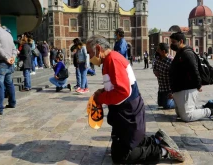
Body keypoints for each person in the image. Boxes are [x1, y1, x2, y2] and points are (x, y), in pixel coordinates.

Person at [86, 35, 184, 164]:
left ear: (98, 48)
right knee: (119, 148)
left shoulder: (113, 60)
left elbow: (122, 91)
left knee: (122, 157)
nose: (89, 57)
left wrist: (101, 98)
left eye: (90, 53)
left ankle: (162, 151)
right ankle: (157, 140)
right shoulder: (110, 59)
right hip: (124, 114)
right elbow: (117, 85)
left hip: (129, 114)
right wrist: (103, 91)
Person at [169, 32, 213, 122]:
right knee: (180, 114)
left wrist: (198, 84)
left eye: (173, 42)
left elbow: (194, 70)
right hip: (179, 88)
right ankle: (205, 106)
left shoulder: (187, 53)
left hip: (187, 88)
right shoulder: (180, 53)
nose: (171, 44)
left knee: (187, 116)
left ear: (181, 41)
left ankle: (210, 111)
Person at [0, 17, 16, 115]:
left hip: (0, 62)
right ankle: (12, 102)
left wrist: (6, 58)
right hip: (9, 63)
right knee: (9, 83)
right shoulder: (8, 33)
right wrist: (13, 58)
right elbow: (14, 48)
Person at [153, 43, 175, 109]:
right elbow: (154, 67)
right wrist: (155, 71)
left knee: (167, 106)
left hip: (169, 89)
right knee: (160, 104)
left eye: (158, 50)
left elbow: (175, 78)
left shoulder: (171, 61)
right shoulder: (157, 58)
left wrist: (173, 92)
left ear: (163, 52)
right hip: (161, 88)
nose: (157, 51)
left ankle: (179, 101)